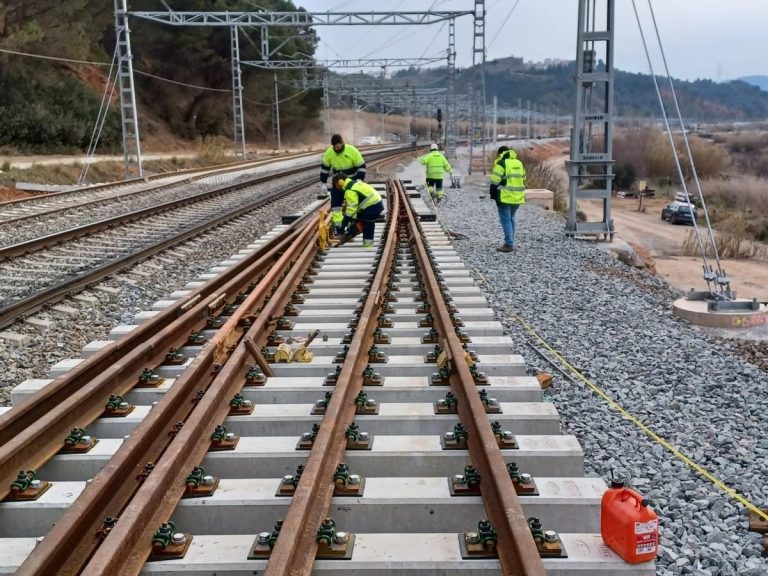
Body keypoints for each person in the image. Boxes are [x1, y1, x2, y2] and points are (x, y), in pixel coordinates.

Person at [319, 134, 366, 236]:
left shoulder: (352, 151)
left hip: (352, 183)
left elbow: (362, 167)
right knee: (335, 205)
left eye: (338, 147)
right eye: (334, 147)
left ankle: (352, 226)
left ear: (342, 143)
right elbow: (325, 168)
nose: (336, 149)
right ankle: (338, 227)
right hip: (337, 184)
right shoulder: (329, 152)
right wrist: (323, 182)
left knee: (352, 204)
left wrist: (359, 180)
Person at [489, 145, 526, 253]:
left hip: (505, 196)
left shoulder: (501, 163)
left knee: (505, 219)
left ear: (500, 154)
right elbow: (523, 178)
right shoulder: (519, 163)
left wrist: (493, 196)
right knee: (511, 219)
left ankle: (509, 244)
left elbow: (495, 181)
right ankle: (510, 241)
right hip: (518, 196)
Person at [333, 175, 383, 248]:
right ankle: (367, 244)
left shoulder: (349, 190)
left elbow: (352, 208)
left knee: (367, 225)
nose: (336, 187)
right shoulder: (355, 184)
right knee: (362, 223)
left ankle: (367, 246)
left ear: (341, 182)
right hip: (376, 204)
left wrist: (345, 221)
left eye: (336, 184)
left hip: (371, 207)